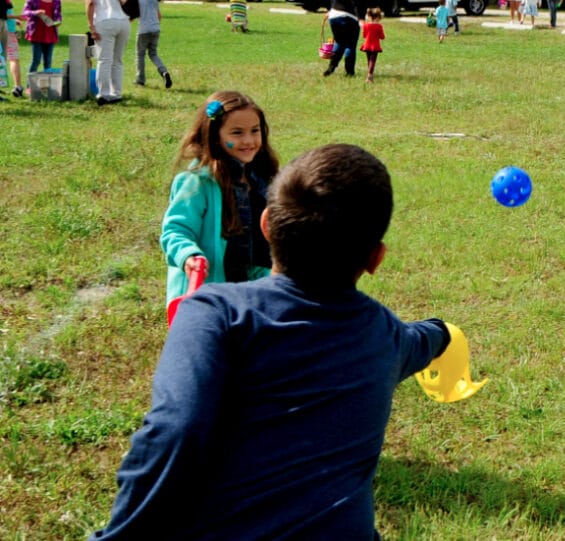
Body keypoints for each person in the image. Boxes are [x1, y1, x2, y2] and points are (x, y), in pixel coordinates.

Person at [89, 143, 454, 540]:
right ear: (376, 259)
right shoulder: (387, 334)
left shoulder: (215, 313)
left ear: (265, 225)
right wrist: (445, 332)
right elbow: (423, 339)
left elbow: (177, 429)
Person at [160, 90, 280, 306]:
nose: (249, 140)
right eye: (237, 133)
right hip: (212, 290)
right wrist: (188, 255)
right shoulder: (197, 183)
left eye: (255, 130)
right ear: (214, 136)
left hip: (255, 283)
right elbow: (175, 231)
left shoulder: (263, 179)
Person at [87, 0, 130, 105]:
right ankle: (117, 94)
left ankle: (103, 94)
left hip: (105, 21)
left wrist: (91, 26)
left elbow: (90, 3)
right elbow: (124, 2)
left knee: (104, 59)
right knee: (117, 60)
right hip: (124, 21)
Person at [134, 0, 171, 88]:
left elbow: (134, 14)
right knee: (153, 54)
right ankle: (164, 72)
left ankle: (140, 80)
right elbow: (159, 16)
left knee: (140, 55)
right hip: (156, 29)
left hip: (143, 30)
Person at [323, 0, 359, 77]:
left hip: (334, 15)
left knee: (339, 42)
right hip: (349, 15)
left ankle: (331, 67)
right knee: (350, 45)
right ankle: (349, 72)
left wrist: (329, 9)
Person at [22, 0, 59, 73]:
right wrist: (35, 12)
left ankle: (47, 82)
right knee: (36, 60)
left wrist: (58, 20)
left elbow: (58, 14)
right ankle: (30, 83)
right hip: (36, 35)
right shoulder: (32, 1)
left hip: (50, 35)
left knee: (48, 61)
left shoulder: (56, 1)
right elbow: (25, 12)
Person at [5, 2, 25, 97]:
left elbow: (7, 14)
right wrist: (17, 16)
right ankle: (18, 87)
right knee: (14, 59)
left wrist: (15, 20)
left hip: (9, 30)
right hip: (8, 33)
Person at [359, 6, 383, 83]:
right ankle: (370, 75)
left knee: (369, 60)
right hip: (375, 46)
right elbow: (382, 37)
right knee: (373, 61)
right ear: (378, 17)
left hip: (367, 45)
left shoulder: (366, 25)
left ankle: (369, 74)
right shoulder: (379, 26)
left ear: (369, 16)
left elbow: (364, 35)